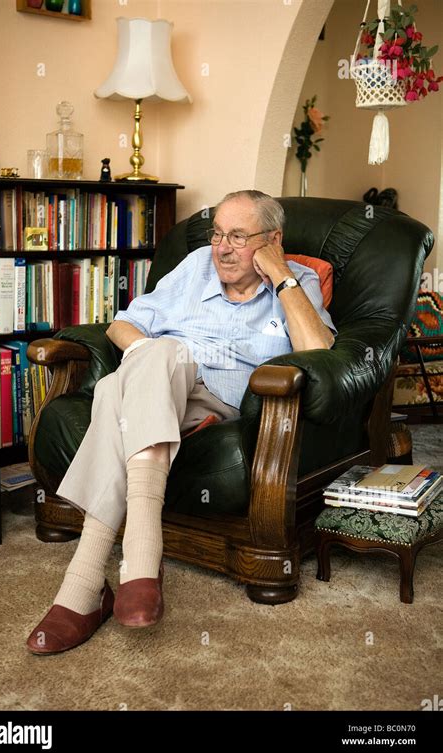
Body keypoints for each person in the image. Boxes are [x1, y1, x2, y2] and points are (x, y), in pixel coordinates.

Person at [26, 189, 336, 655]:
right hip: (161, 379)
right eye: (216, 234)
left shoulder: (300, 281)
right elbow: (123, 324)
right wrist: (145, 359)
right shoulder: (194, 266)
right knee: (151, 360)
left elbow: (319, 353)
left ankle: (85, 587)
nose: (222, 247)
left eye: (238, 236)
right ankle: (132, 566)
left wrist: (281, 275)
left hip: (220, 400)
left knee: (118, 389)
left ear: (273, 239)